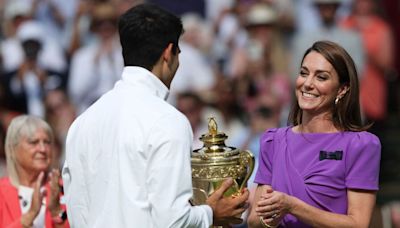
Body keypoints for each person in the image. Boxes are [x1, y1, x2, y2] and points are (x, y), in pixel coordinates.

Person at [62, 3, 249, 228]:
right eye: (179, 52)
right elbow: (172, 221)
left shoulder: (82, 123)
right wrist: (211, 213)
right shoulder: (168, 121)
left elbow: (75, 210)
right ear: (169, 53)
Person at [247, 41, 381, 227]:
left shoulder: (360, 145)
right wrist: (271, 218)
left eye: (321, 77)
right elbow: (254, 220)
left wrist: (292, 206)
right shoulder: (273, 140)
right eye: (303, 73)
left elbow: (358, 224)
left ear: (342, 89)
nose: (308, 83)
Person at [0, 115, 69, 227]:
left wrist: (57, 212)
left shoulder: (64, 189)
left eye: (47, 142)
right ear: (13, 148)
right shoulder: (1, 192)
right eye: (33, 142)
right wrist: (30, 215)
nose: (43, 149)